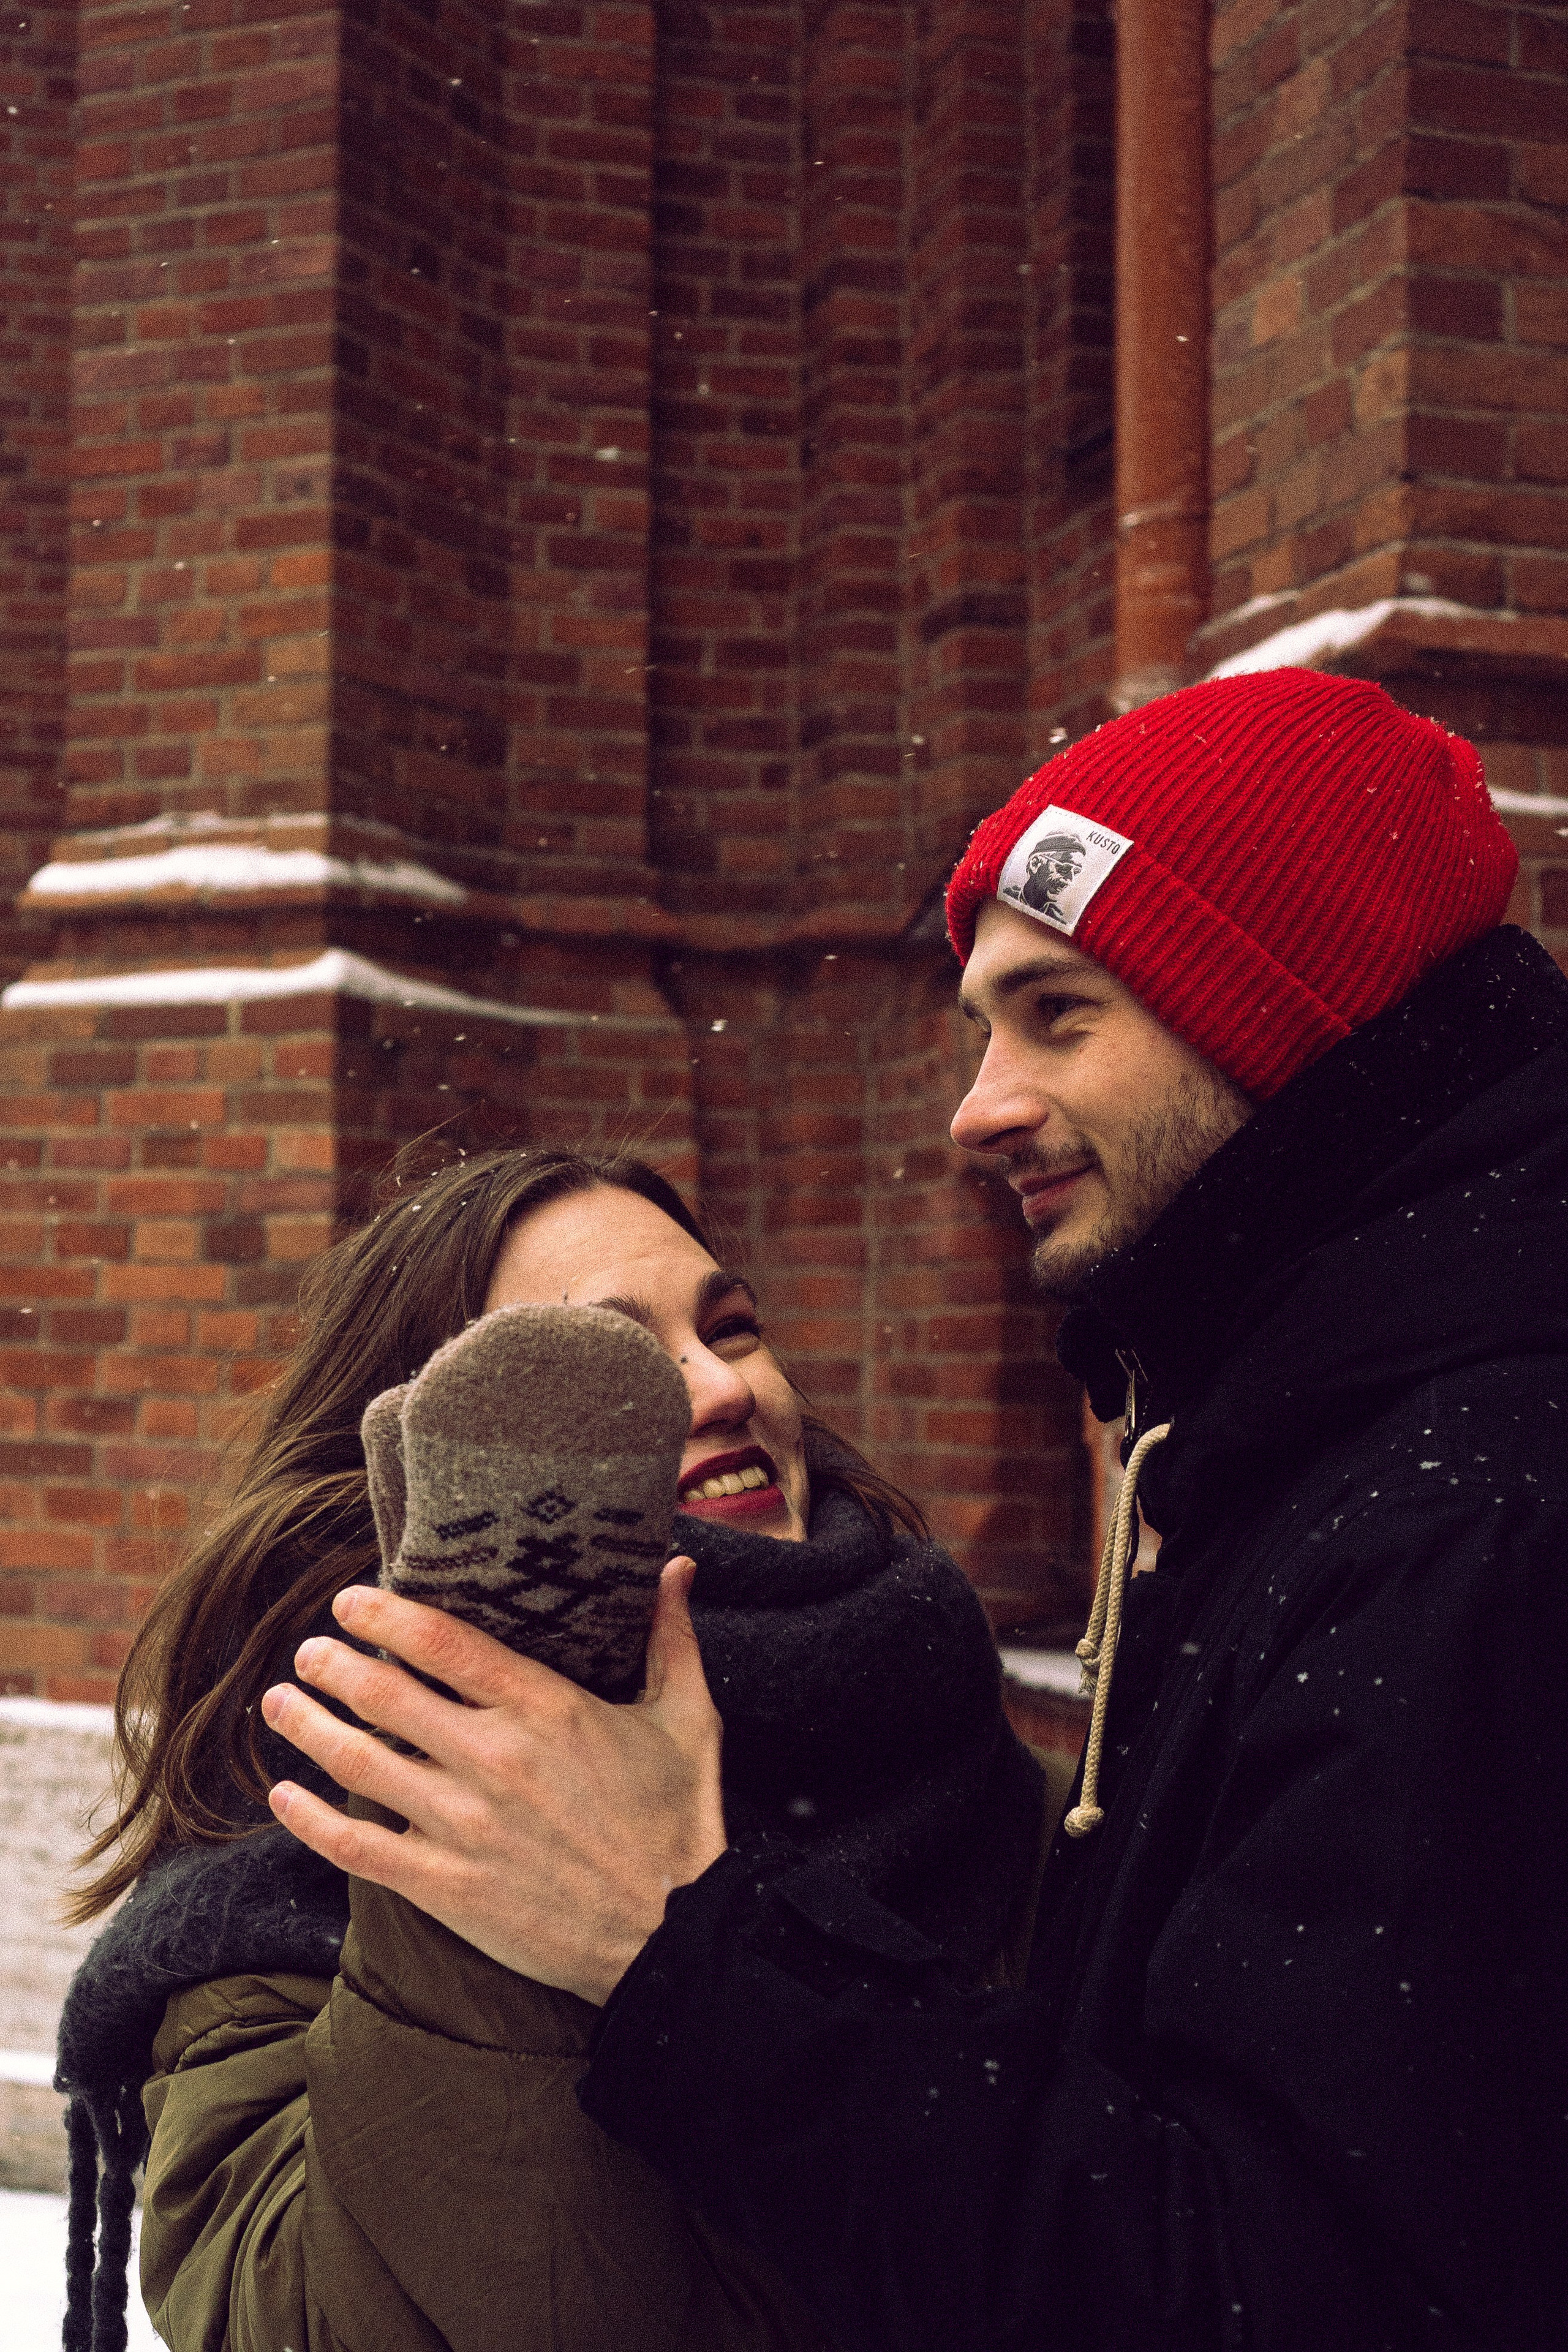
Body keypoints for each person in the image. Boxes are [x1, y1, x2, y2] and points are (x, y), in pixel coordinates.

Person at [260, 666, 1568, 2351]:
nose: (976, 1108)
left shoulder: (1465, 1516)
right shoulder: (270, 1896)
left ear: (1287, 1009)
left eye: (1060, 1012)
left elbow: (1296, 2285)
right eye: (586, 1377)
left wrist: (689, 1948)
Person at [56, 1148, 1056, 2352]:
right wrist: (484, 1790)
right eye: (611, 1365)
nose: (717, 1384)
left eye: (730, 1328)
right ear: (418, 1475)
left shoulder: (1023, 1804)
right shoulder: (277, 1909)